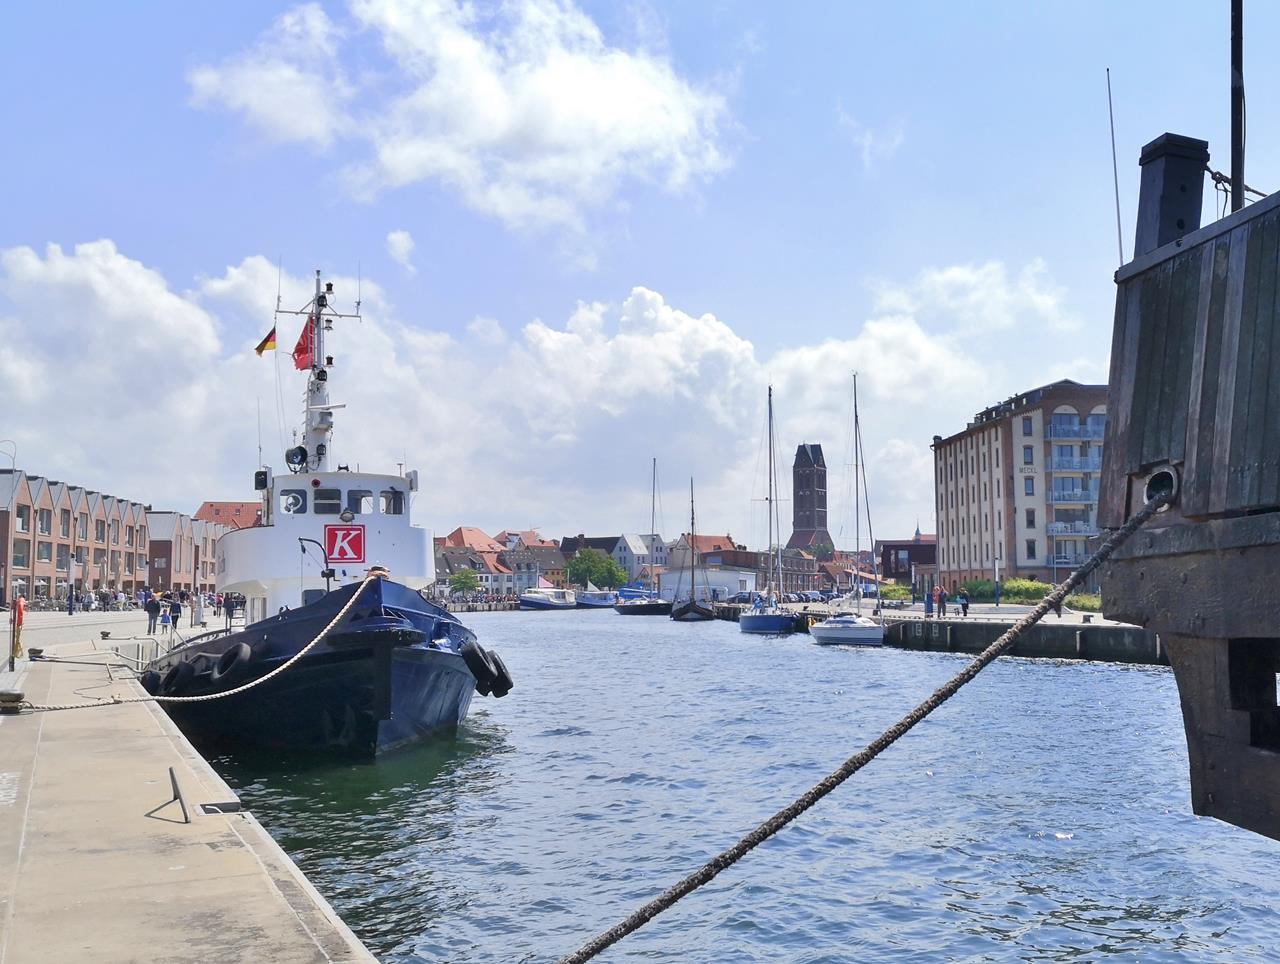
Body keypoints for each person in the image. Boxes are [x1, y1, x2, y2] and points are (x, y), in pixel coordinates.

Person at [12, 594, 26, 660]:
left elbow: (20, 608)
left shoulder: (21, 600)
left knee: (17, 638)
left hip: (19, 622)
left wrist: (19, 621)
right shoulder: (22, 601)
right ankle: (18, 652)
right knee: (17, 637)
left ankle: (17, 653)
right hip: (20, 621)